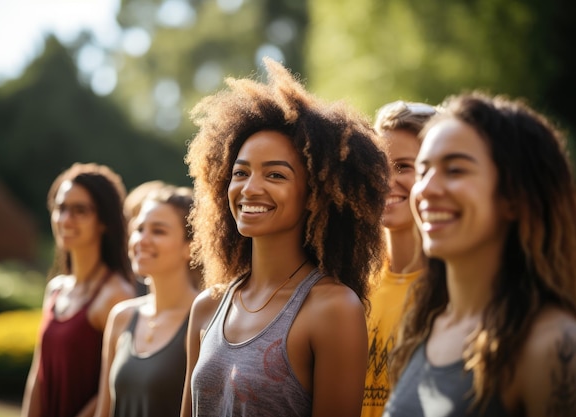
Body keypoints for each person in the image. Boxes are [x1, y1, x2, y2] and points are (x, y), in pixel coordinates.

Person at [180, 57, 390, 417]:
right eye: (240, 172)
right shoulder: (208, 307)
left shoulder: (333, 309)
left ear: (315, 195)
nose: (250, 188)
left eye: (275, 175)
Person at [384, 92, 576, 416]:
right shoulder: (426, 323)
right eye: (423, 169)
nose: (427, 188)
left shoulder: (552, 345)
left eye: (455, 170)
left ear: (515, 197)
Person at [22, 163, 136, 417]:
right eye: (60, 208)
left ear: (104, 221)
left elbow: (111, 388)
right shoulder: (55, 289)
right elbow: (38, 374)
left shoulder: (117, 296)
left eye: (79, 210)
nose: (65, 219)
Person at [94, 184, 200, 417]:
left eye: (158, 231)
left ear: (190, 247)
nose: (142, 239)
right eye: (139, 229)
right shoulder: (121, 317)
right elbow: (103, 411)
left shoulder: (205, 321)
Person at [362, 101, 436, 417]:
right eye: (379, 167)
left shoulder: (457, 293)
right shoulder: (351, 284)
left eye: (404, 166)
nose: (386, 181)